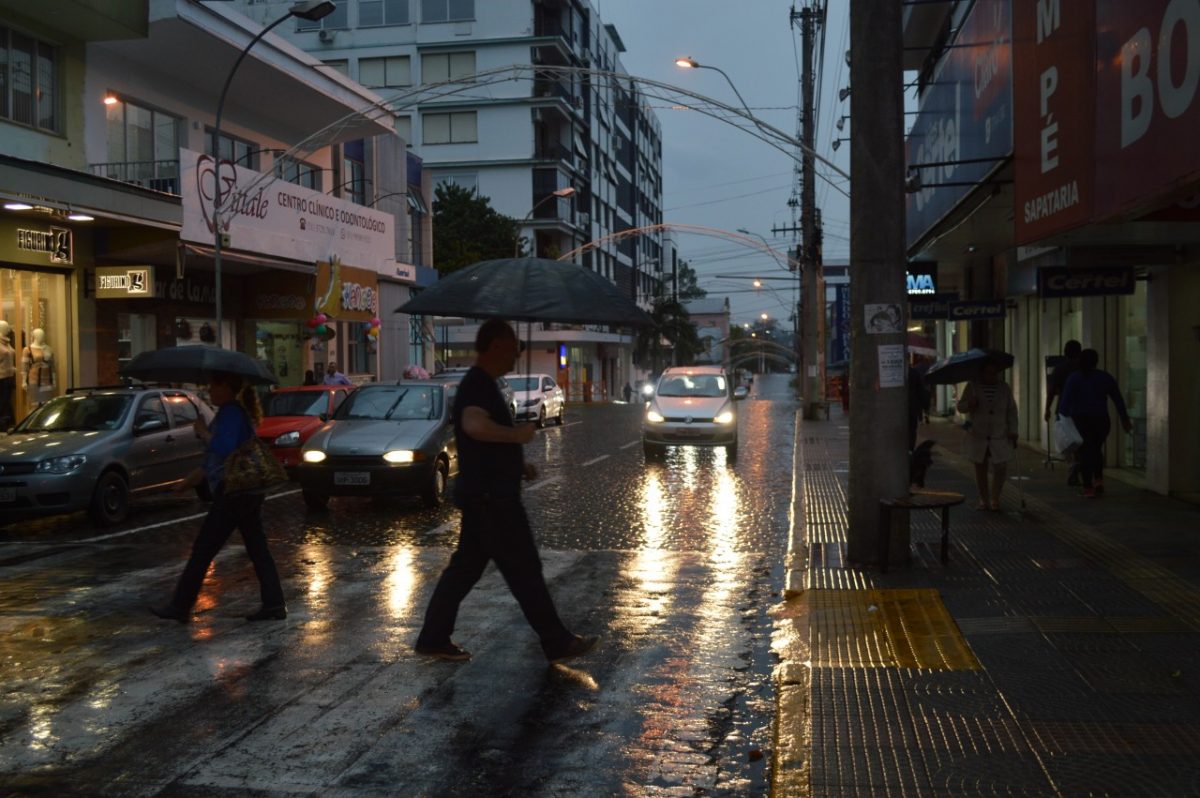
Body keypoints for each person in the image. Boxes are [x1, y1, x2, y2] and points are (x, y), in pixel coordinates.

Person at [415, 318, 597, 663]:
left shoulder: (486, 383)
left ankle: (433, 636)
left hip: (485, 495)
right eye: (514, 344)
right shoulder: (477, 385)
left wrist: (518, 464)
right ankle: (556, 641)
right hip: (493, 501)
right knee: (524, 570)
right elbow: (473, 425)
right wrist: (516, 436)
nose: (518, 351)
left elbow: (483, 440)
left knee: (465, 570)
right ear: (496, 345)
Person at [151, 371, 286, 622]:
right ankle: (274, 603)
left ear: (226, 387)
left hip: (234, 492)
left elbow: (224, 450)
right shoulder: (231, 412)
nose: (209, 390)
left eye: (213, 385)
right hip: (245, 491)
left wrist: (202, 431)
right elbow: (212, 461)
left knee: (204, 548)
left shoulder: (231, 413)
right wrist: (187, 483)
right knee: (257, 548)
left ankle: (181, 605)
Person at [1057, 348, 1131, 498]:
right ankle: (1098, 481)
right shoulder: (1105, 377)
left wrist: (1061, 421)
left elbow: (1064, 406)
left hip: (1081, 421)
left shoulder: (1074, 378)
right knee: (1096, 449)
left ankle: (1088, 488)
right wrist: (1124, 419)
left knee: (1084, 453)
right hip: (1101, 421)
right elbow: (1118, 400)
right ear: (1096, 361)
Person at [956, 357, 1019, 511]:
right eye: (989, 373)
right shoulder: (972, 387)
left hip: (999, 433)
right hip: (979, 433)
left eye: (995, 373)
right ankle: (984, 499)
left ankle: (995, 497)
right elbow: (961, 406)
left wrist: (1013, 430)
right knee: (980, 468)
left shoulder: (1004, 388)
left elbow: (1011, 410)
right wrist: (970, 404)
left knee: (1001, 466)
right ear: (982, 373)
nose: (992, 376)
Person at [1045, 339, 1083, 485]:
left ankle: (1073, 464)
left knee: (1067, 441)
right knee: (1081, 439)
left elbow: (1051, 391)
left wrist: (1047, 408)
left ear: (1065, 353)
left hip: (1064, 410)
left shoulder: (1060, 369)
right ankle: (1080, 465)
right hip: (1082, 410)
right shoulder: (1084, 368)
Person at [907, 357, 932, 453]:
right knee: (911, 429)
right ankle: (910, 450)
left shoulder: (915, 370)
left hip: (907, 407)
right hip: (912, 406)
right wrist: (925, 405)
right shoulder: (914, 372)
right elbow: (920, 391)